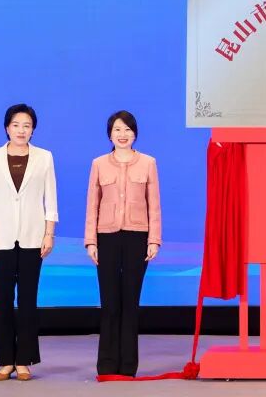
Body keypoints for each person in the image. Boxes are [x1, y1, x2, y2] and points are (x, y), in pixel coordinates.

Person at [0, 103, 58, 381]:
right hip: (0, 237)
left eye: (27, 126)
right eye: (16, 125)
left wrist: (48, 233)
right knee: (2, 300)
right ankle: (5, 360)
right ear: (7, 128)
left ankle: (24, 360)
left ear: (33, 129)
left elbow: (50, 200)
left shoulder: (44, 157)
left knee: (28, 300)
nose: (21, 130)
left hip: (33, 237)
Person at [85, 110, 163, 377]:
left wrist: (154, 240)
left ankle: (128, 366)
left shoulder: (148, 163)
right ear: (110, 134)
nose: (122, 134)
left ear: (135, 134)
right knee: (109, 303)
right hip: (106, 237)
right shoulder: (99, 164)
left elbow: (154, 205)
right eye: (117, 129)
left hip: (137, 237)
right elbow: (92, 205)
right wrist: (90, 241)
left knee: (130, 303)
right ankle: (107, 364)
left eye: (127, 129)